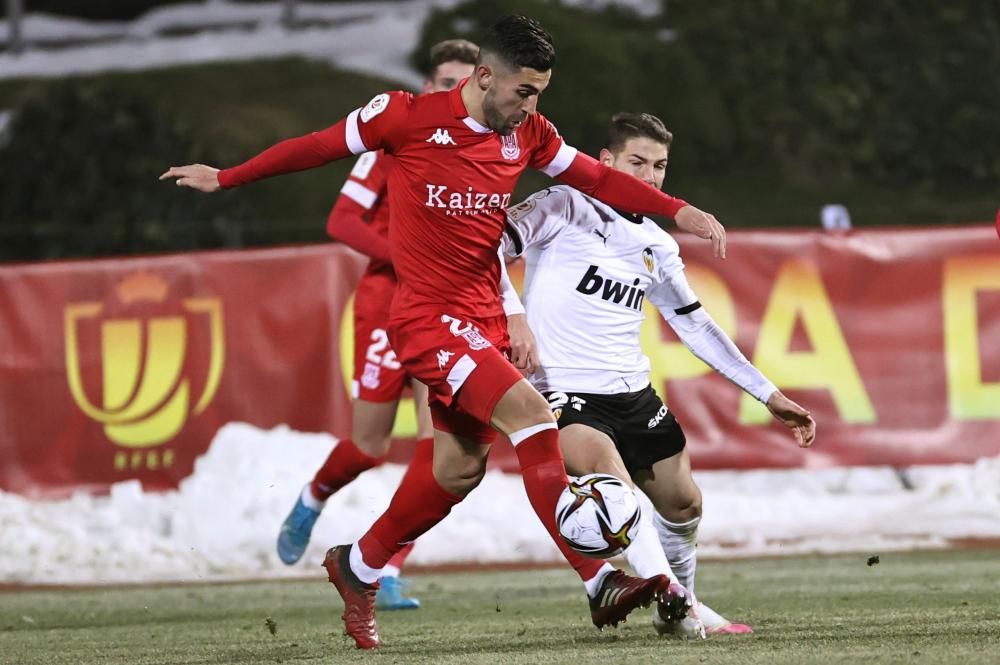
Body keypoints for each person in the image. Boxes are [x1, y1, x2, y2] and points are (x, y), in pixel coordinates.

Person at [161, 15, 728, 650]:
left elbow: (596, 178)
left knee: (457, 470)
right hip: (428, 320)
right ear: (486, 77)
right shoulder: (403, 118)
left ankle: (360, 565)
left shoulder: (531, 134)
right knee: (535, 416)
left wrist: (677, 210)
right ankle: (599, 580)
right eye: (523, 91)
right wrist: (228, 176)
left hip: (481, 317)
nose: (531, 105)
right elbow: (319, 145)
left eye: (540, 92)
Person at [500, 112, 817, 638]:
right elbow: (489, 245)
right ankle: (681, 608)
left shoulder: (658, 244)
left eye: (660, 166)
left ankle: (679, 603)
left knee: (684, 502)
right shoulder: (564, 203)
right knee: (617, 496)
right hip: (565, 392)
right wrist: (513, 316)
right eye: (637, 162)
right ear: (605, 162)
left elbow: (695, 326)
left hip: (634, 393)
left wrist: (769, 394)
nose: (649, 176)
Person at [274, 39, 480, 612]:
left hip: (444, 307)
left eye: (463, 83)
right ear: (427, 85)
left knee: (436, 445)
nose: (453, 92)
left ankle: (383, 566)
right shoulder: (395, 137)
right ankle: (313, 498)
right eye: (444, 81)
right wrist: (406, 252)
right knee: (368, 444)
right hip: (388, 303)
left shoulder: (483, 147)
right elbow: (342, 219)